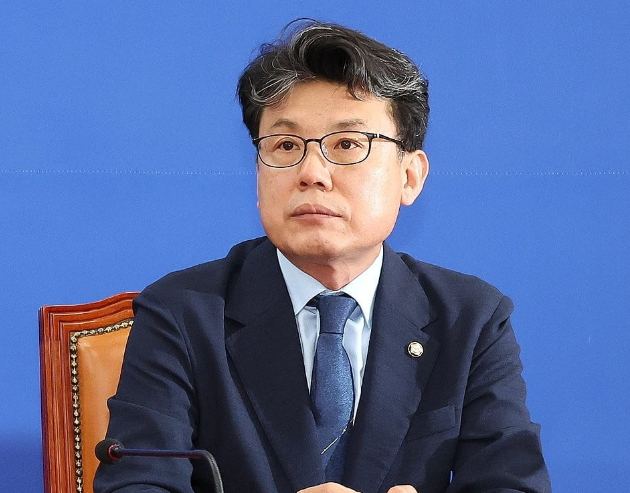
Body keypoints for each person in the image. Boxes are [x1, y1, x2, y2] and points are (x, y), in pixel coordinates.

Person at [94, 19, 551, 493]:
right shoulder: (183, 313)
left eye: (347, 144)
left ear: (410, 177)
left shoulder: (471, 319)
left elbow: (512, 484)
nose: (312, 172)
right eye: (286, 146)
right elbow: (137, 485)